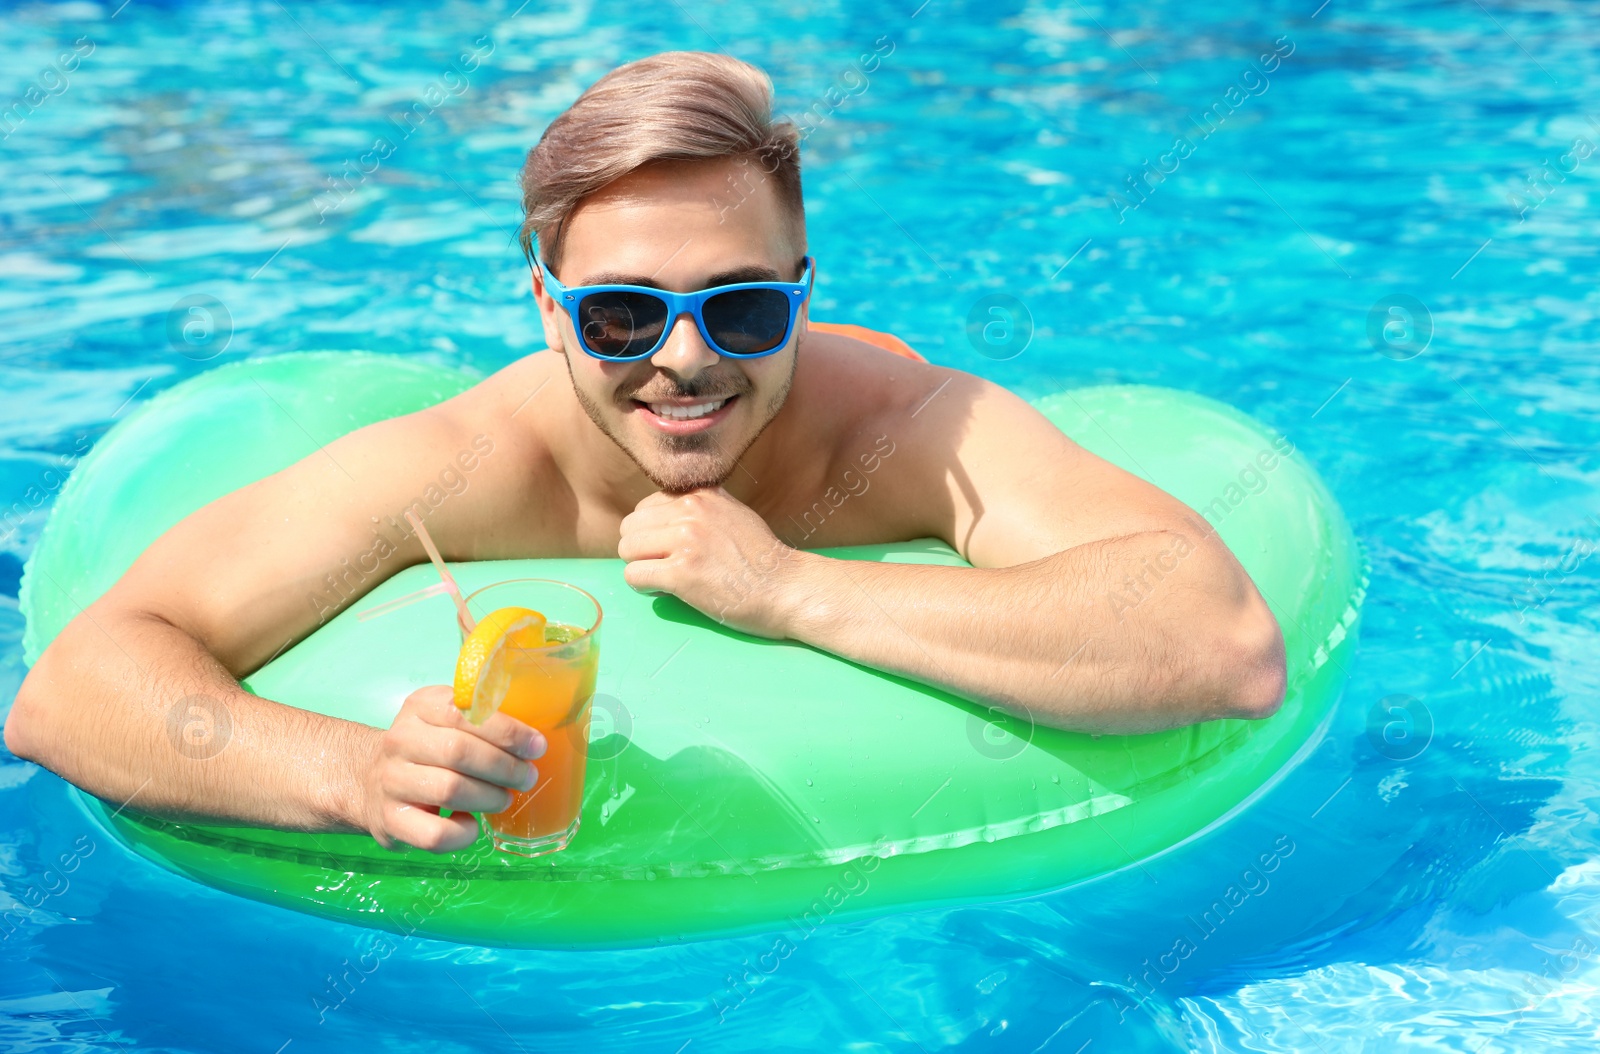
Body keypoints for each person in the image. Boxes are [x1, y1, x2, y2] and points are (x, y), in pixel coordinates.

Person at [5, 51, 1285, 856]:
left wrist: (792, 588)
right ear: (546, 305)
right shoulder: (464, 467)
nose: (682, 360)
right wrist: (350, 772)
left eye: (739, 309)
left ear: (802, 289)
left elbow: (1221, 641)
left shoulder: (900, 427)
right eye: (622, 312)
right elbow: (76, 686)